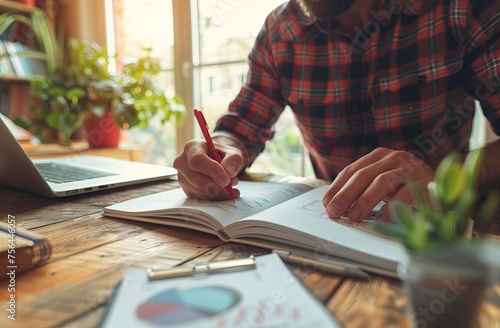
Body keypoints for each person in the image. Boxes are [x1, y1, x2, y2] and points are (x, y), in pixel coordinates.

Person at [174, 0, 500, 222]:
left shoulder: (462, 9)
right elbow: (242, 125)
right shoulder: (280, 30)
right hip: (330, 227)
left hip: (440, 230)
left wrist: (443, 173)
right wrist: (220, 148)